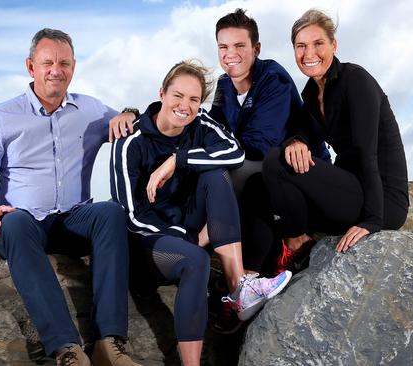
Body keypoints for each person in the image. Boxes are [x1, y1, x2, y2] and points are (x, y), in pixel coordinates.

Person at [0, 28, 140, 366]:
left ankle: (108, 345)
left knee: (111, 213)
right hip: (24, 226)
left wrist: (129, 113)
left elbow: (129, 121)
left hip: (74, 220)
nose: (56, 70)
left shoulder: (90, 109)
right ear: (31, 67)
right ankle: (67, 349)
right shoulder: (1, 117)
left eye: (64, 63)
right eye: (47, 63)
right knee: (13, 223)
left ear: (73, 67)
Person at [110, 60, 291, 365]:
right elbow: (130, 217)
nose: (185, 106)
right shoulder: (131, 141)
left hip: (188, 228)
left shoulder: (200, 124)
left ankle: (237, 286)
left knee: (215, 175)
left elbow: (235, 153)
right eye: (178, 96)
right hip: (148, 243)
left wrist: (178, 160)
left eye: (194, 99)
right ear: (162, 93)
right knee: (196, 261)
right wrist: (190, 237)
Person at [261, 9, 409, 255]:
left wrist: (372, 221)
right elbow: (302, 128)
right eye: (301, 46)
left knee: (277, 162)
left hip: (383, 202)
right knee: (268, 187)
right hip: (350, 191)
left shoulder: (355, 80)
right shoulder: (311, 92)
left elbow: (366, 153)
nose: (309, 54)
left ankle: (297, 242)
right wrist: (297, 140)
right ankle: (290, 253)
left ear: (334, 45)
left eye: (318, 43)